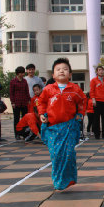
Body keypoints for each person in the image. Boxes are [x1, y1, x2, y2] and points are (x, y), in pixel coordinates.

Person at [38, 58, 86, 190]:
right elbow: (41, 102)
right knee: (56, 155)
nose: (62, 71)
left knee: (69, 153)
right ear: (53, 75)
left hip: (69, 126)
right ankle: (59, 180)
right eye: (58, 69)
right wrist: (42, 114)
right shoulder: (48, 89)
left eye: (65, 69)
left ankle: (69, 179)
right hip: (53, 128)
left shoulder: (75, 89)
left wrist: (80, 114)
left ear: (70, 74)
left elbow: (82, 101)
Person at [89, 66, 104, 139]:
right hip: (97, 101)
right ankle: (97, 134)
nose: (101, 71)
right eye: (99, 70)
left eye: (102, 70)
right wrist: (93, 99)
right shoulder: (93, 80)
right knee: (96, 119)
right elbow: (92, 91)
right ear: (97, 72)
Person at [10, 66, 30, 140]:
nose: (22, 74)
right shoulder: (13, 81)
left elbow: (27, 91)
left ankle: (24, 133)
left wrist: (29, 99)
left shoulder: (24, 81)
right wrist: (12, 102)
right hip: (16, 102)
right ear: (18, 73)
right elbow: (11, 93)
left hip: (24, 102)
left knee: (24, 118)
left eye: (23, 73)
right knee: (16, 118)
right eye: (21, 73)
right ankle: (17, 134)